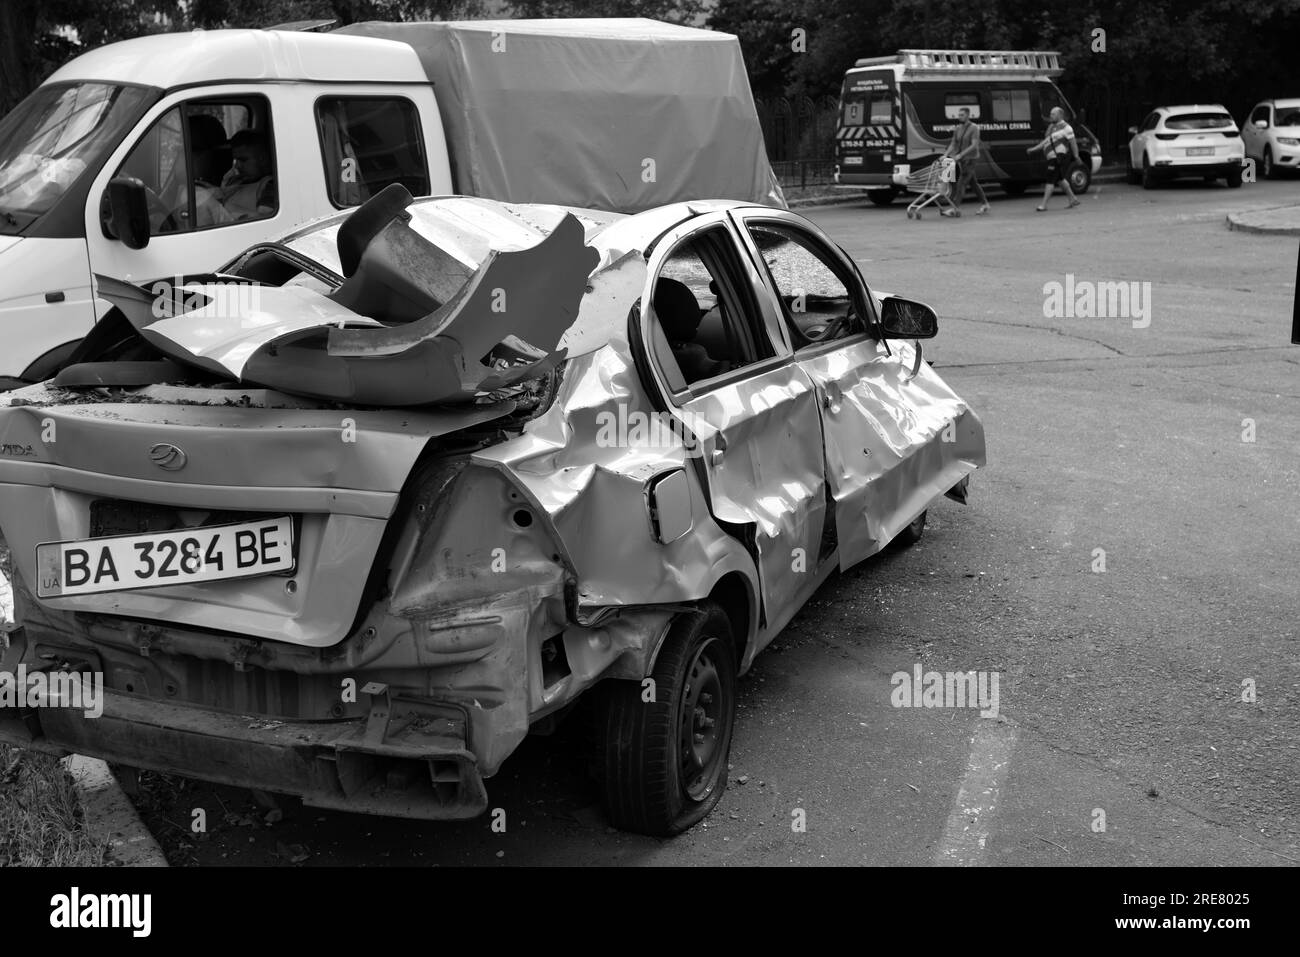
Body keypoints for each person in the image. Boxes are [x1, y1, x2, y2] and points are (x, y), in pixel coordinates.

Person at [196, 129, 277, 225]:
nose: (237, 166)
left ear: (262, 159)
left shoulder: (269, 186)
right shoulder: (235, 180)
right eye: (235, 160)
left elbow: (265, 221)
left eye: (243, 160)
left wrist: (219, 203)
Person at [1027, 107, 1081, 211]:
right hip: (1051, 157)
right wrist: (1033, 149)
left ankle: (1043, 204)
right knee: (1060, 179)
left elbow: (1073, 143)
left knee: (1050, 179)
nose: (1050, 116)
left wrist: (1076, 156)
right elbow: (1046, 140)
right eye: (1051, 114)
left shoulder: (1067, 128)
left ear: (1060, 115)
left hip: (1057, 157)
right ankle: (1073, 199)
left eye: (1053, 114)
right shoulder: (1053, 127)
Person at [941, 107, 989, 216]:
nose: (959, 117)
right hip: (962, 160)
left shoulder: (974, 128)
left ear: (968, 115)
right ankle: (985, 204)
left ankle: (955, 208)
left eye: (962, 115)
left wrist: (960, 155)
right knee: (973, 183)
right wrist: (945, 155)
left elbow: (974, 145)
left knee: (961, 183)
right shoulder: (957, 128)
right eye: (959, 114)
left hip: (971, 159)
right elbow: (953, 143)